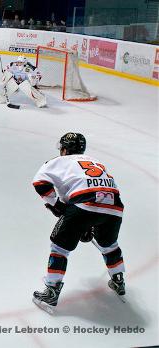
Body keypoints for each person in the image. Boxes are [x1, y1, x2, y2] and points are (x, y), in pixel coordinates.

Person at [32, 133, 126, 313]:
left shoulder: (59, 161)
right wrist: (89, 223)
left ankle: (51, 291)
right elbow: (99, 191)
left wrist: (56, 204)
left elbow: (39, 182)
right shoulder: (96, 161)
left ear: (65, 149)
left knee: (59, 247)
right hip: (114, 207)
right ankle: (118, 281)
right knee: (109, 245)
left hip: (84, 203)